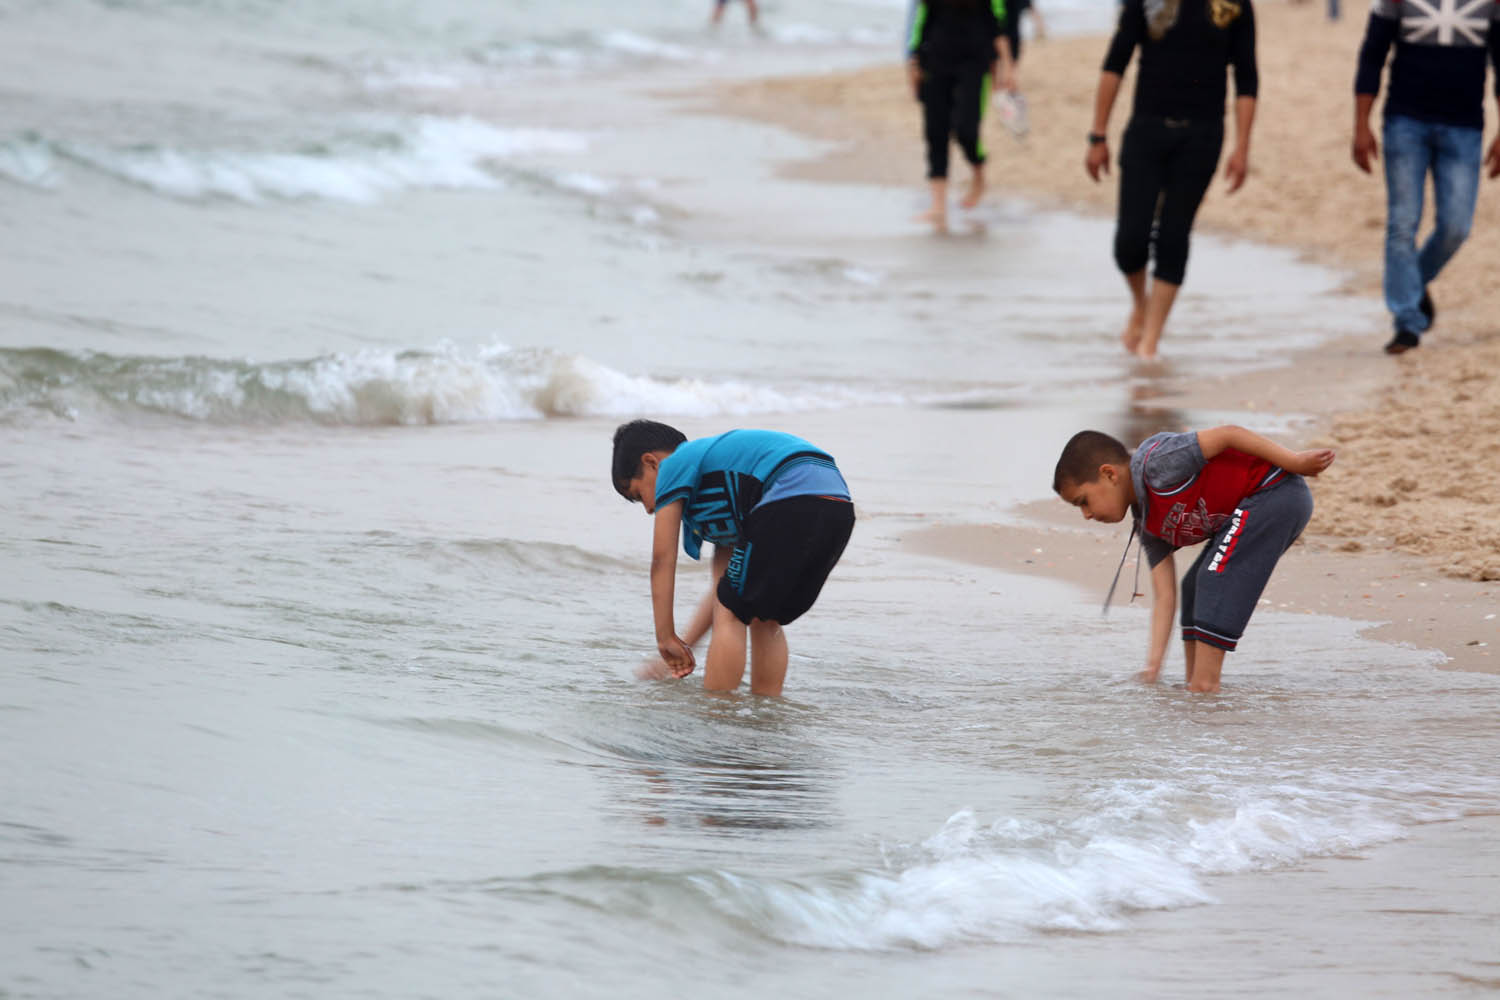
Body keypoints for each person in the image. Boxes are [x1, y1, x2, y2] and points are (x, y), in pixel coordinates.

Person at [1051, 426, 1335, 693]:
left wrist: (1295, 461)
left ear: (1109, 474)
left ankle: (1204, 686)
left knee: (1213, 577)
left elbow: (1228, 435)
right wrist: (1153, 666)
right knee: (1193, 588)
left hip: (1275, 493)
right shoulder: (1148, 524)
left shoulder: (1157, 462)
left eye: (1083, 501)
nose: (1086, 514)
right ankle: (1196, 689)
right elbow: (1165, 597)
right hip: (1252, 509)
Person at [612, 420, 855, 696]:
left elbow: (662, 559)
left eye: (638, 494)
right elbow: (723, 593)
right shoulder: (724, 492)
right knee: (765, 617)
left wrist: (665, 638)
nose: (647, 509)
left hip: (789, 496)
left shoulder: (675, 464)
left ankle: (718, 715)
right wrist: (683, 647)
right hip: (837, 508)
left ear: (651, 463)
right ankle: (765, 714)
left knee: (734, 613)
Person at [1085, 0, 1259, 359]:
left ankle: (1150, 341)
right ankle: (1140, 303)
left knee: (1174, 235)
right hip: (1146, 130)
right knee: (1130, 241)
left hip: (1203, 136)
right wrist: (1098, 135)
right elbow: (1115, 61)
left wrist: (1241, 147)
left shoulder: (1235, 5)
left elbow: (1246, 77)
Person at [1352, 0, 1500, 355]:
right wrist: (1361, 125)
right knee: (1402, 222)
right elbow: (1372, 54)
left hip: (1464, 127)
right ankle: (1406, 323)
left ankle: (1412, 283)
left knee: (1456, 227)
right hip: (1405, 122)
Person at [907, 0, 1016, 231]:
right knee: (935, 131)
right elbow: (920, 23)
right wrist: (913, 64)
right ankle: (938, 205)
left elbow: (998, 28)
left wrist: (1007, 67)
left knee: (967, 130)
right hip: (934, 61)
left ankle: (978, 172)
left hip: (974, 64)